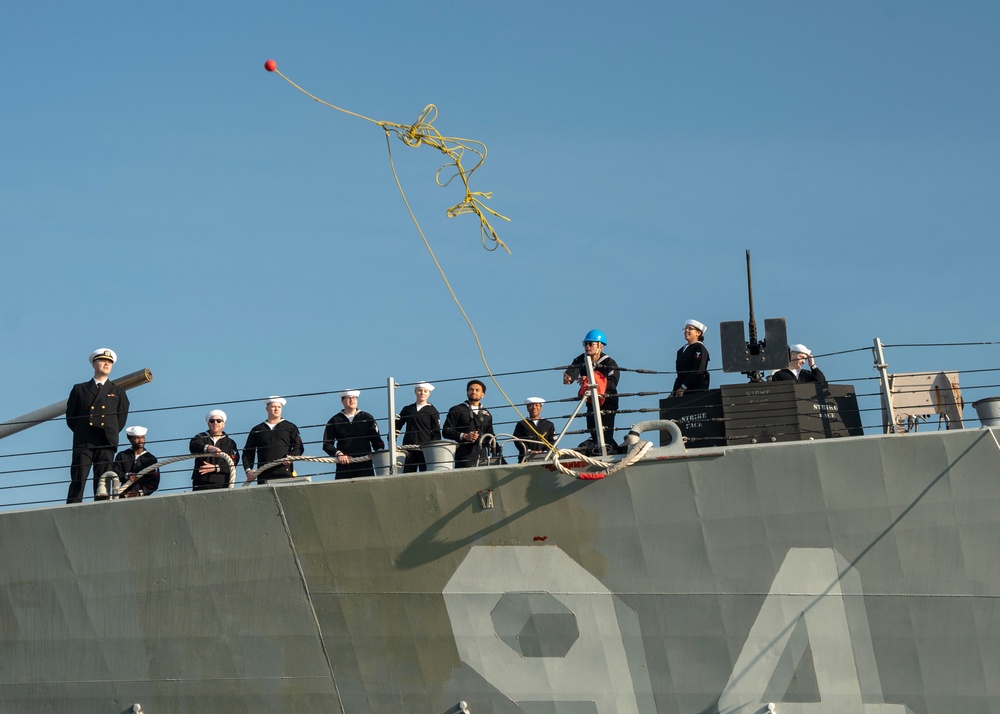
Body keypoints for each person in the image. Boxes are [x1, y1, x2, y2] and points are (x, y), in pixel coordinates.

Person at [65, 348, 131, 504]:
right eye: (102, 361)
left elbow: (120, 418)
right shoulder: (79, 389)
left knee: (103, 480)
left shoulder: (118, 391)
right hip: (84, 441)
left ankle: (100, 507)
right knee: (78, 478)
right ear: (94, 364)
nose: (106, 364)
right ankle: (73, 506)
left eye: (109, 362)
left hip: (106, 441)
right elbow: (71, 417)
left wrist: (110, 431)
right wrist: (83, 431)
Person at [562, 330, 620, 450]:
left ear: (600, 346)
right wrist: (569, 377)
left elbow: (613, 383)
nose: (587, 347)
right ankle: (608, 449)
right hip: (592, 401)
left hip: (608, 401)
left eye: (591, 344)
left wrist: (590, 379)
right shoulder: (581, 360)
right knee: (594, 431)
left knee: (605, 433)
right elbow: (572, 371)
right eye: (585, 344)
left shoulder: (609, 363)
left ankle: (612, 449)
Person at [323, 390, 385, 479]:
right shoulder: (334, 420)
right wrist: (338, 453)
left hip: (365, 463)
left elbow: (376, 439)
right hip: (344, 465)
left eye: (354, 398)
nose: (351, 400)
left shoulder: (367, 418)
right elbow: (327, 444)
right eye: (348, 398)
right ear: (342, 401)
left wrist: (378, 453)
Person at [243, 396, 303, 484]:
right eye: (273, 407)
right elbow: (248, 452)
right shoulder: (257, 429)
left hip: (284, 473)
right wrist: (248, 470)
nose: (276, 409)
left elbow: (299, 447)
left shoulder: (290, 427)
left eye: (279, 407)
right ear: (267, 409)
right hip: (264, 474)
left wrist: (291, 457)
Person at [443, 379, 498, 469]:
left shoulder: (487, 414)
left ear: (483, 394)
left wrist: (497, 451)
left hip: (483, 458)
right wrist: (464, 436)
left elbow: (490, 436)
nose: (473, 392)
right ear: (467, 392)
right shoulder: (457, 410)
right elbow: (446, 431)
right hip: (463, 456)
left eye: (477, 390)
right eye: (471, 389)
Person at [395, 382, 441, 473]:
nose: (422, 393)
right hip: (408, 448)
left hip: (425, 449)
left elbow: (436, 433)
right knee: (407, 473)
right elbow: (396, 426)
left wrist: (433, 448)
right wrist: (392, 441)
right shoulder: (408, 409)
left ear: (429, 393)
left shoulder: (432, 411)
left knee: (425, 473)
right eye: (419, 390)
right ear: (415, 392)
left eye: (425, 391)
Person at [189, 409, 240, 490]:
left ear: (224, 424)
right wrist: (209, 447)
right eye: (212, 421)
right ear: (208, 424)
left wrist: (215, 468)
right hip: (201, 482)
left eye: (219, 421)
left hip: (221, 482)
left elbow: (234, 462)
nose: (215, 423)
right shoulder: (200, 437)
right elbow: (193, 445)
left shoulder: (230, 443)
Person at [105, 425, 160, 498]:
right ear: (130, 439)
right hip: (123, 496)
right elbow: (115, 472)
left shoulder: (151, 459)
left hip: (142, 499)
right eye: (136, 438)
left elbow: (154, 482)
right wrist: (127, 476)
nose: (141, 441)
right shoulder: (122, 456)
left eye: (142, 437)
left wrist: (140, 493)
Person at [671, 319, 711, 397]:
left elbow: (698, 370)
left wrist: (684, 387)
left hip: (695, 391)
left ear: (698, 333)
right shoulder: (680, 351)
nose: (686, 330)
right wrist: (673, 392)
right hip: (681, 392)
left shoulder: (699, 347)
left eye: (690, 328)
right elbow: (680, 375)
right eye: (685, 328)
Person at [512, 397, 556, 463]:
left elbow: (553, 440)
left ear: (541, 408)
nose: (534, 407)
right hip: (526, 459)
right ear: (527, 408)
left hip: (546, 459)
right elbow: (517, 440)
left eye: (537, 405)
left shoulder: (548, 424)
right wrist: (528, 451)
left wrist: (544, 452)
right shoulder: (521, 424)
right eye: (531, 405)